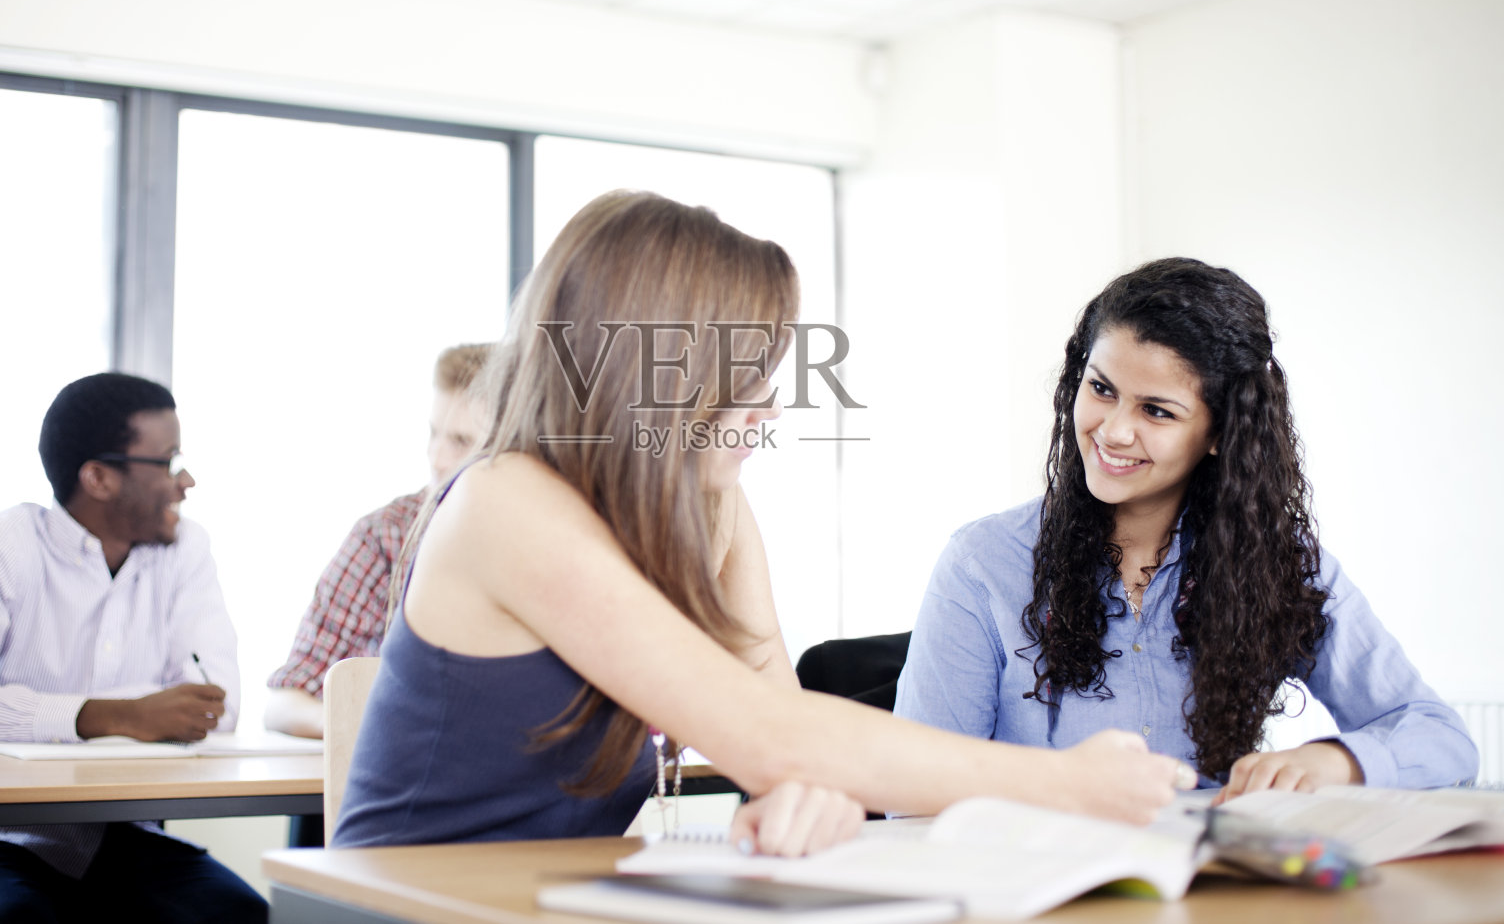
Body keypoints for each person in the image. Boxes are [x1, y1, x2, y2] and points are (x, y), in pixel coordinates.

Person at [332, 190, 1194, 860]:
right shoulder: (503, 502)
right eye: (750, 377)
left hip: (556, 901)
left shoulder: (717, 508)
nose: (772, 408)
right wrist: (1064, 782)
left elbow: (781, 729)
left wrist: (801, 787)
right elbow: (772, 733)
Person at [894, 257, 1478, 801]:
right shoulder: (983, 563)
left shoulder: (1281, 564)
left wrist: (1337, 762)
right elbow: (912, 792)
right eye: (1101, 389)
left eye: (1157, 411)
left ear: (1221, 433)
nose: (1114, 431)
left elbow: (1442, 740)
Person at [0, 372, 266, 923]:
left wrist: (23, 712)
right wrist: (115, 715)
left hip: (119, 833)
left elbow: (215, 704)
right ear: (98, 477)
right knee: (4, 919)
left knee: (235, 914)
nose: (186, 480)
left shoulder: (185, 549)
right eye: (168, 462)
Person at [264, 343, 493, 741]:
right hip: (403, 776)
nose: (436, 457)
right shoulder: (385, 535)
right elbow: (284, 703)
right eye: (433, 432)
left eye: (460, 441)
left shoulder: (562, 543)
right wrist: (356, 726)